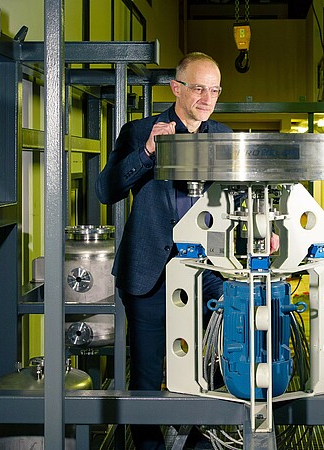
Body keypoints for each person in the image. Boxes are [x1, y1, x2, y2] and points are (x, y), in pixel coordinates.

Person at [95, 52, 229, 450]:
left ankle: (200, 445)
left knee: (218, 362)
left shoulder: (222, 137)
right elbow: (106, 190)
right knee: (147, 375)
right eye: (199, 88)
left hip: (208, 271)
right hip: (150, 271)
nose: (207, 98)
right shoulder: (138, 132)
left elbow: (240, 197)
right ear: (176, 88)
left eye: (215, 89)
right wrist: (148, 153)